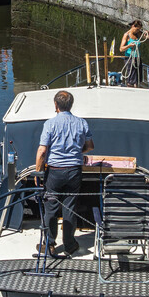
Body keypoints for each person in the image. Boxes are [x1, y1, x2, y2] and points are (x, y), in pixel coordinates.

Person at [35, 90, 94, 257]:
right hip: (74, 171)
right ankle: (69, 244)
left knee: (51, 208)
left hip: (54, 172)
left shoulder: (50, 124)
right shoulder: (82, 123)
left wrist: (38, 171)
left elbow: (42, 151)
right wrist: (76, 151)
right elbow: (90, 146)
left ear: (56, 105)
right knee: (70, 207)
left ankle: (49, 244)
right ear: (71, 105)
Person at [120, 20, 149, 87]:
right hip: (130, 58)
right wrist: (129, 46)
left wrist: (147, 33)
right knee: (131, 78)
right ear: (133, 26)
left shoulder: (138, 33)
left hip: (138, 58)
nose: (138, 30)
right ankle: (130, 87)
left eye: (139, 29)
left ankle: (137, 87)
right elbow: (121, 49)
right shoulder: (126, 35)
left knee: (138, 78)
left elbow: (148, 37)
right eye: (137, 29)